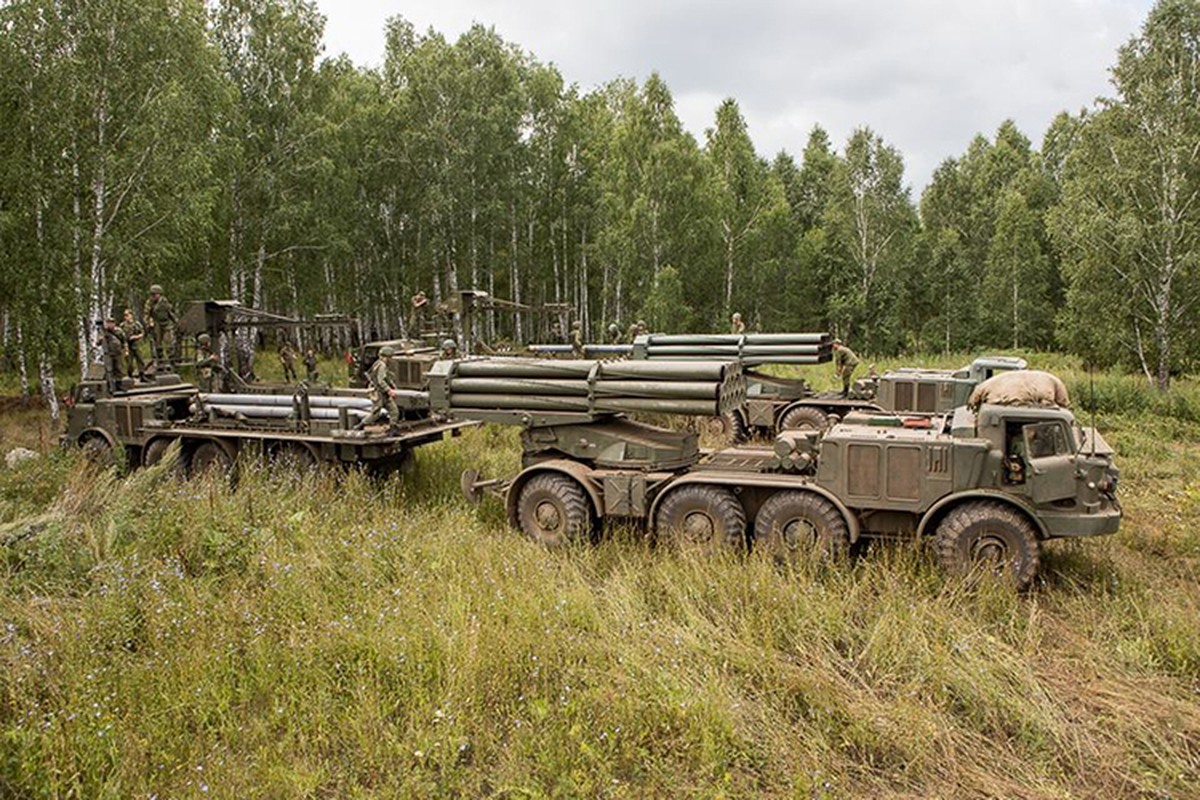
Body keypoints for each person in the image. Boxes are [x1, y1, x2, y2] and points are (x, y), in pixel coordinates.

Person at [357, 345, 401, 430]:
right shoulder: (381, 365)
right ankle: (360, 426)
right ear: (386, 357)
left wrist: (392, 385)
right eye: (390, 357)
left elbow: (386, 378)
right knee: (375, 413)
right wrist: (389, 390)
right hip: (379, 393)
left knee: (394, 411)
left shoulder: (379, 364)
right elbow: (380, 381)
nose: (392, 359)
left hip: (383, 393)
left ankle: (393, 429)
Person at [143, 284, 179, 369]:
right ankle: (160, 360)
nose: (153, 296)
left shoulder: (164, 302)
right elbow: (146, 314)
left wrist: (177, 322)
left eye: (155, 294)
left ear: (159, 294)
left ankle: (171, 360)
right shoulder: (149, 303)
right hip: (157, 324)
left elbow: (170, 313)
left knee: (169, 341)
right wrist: (148, 324)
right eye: (152, 294)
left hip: (166, 323)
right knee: (158, 343)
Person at [98, 317, 127, 390]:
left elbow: (124, 341)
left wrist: (126, 350)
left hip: (117, 353)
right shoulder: (103, 332)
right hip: (108, 354)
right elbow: (97, 343)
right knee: (109, 370)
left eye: (111, 323)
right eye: (108, 323)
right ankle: (110, 386)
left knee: (119, 369)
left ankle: (119, 385)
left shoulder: (119, 331)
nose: (110, 324)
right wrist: (100, 339)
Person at [120, 308, 147, 379]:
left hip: (136, 344)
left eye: (127, 315)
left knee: (140, 360)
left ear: (131, 315)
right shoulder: (122, 325)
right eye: (125, 315)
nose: (126, 317)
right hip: (127, 345)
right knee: (129, 362)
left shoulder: (136, 324)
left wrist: (136, 336)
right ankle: (130, 375)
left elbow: (142, 333)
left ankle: (142, 375)